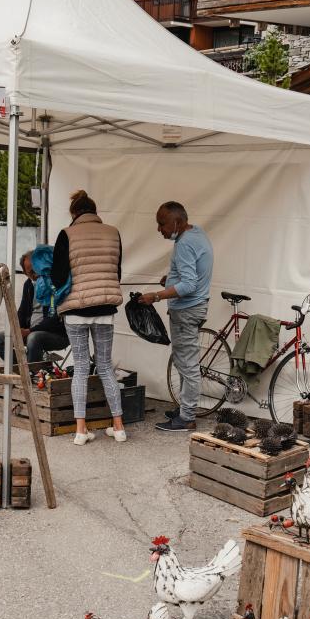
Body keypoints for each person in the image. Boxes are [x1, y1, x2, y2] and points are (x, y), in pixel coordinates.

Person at [51, 190, 126, 446]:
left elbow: (59, 276)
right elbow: (117, 271)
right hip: (105, 309)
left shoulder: (67, 234)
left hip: (76, 310)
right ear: (95, 212)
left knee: (81, 367)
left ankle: (81, 430)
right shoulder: (113, 232)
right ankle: (118, 427)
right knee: (105, 367)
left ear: (74, 213)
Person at [137, 201, 213, 432]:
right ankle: (184, 409)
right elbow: (192, 273)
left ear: (177, 222)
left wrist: (157, 296)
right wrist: (170, 279)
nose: (159, 229)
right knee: (183, 362)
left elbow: (189, 284)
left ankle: (187, 417)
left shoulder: (184, 244)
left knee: (188, 365)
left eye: (162, 224)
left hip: (188, 310)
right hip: (195, 307)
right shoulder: (196, 234)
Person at [0, 250, 68, 367]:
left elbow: (54, 319)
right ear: (25, 273)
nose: (35, 274)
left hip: (56, 334)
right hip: (30, 332)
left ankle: (32, 374)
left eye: (37, 270)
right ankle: (22, 370)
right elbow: (22, 311)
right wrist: (17, 329)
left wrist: (29, 331)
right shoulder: (29, 285)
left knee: (33, 338)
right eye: (30, 272)